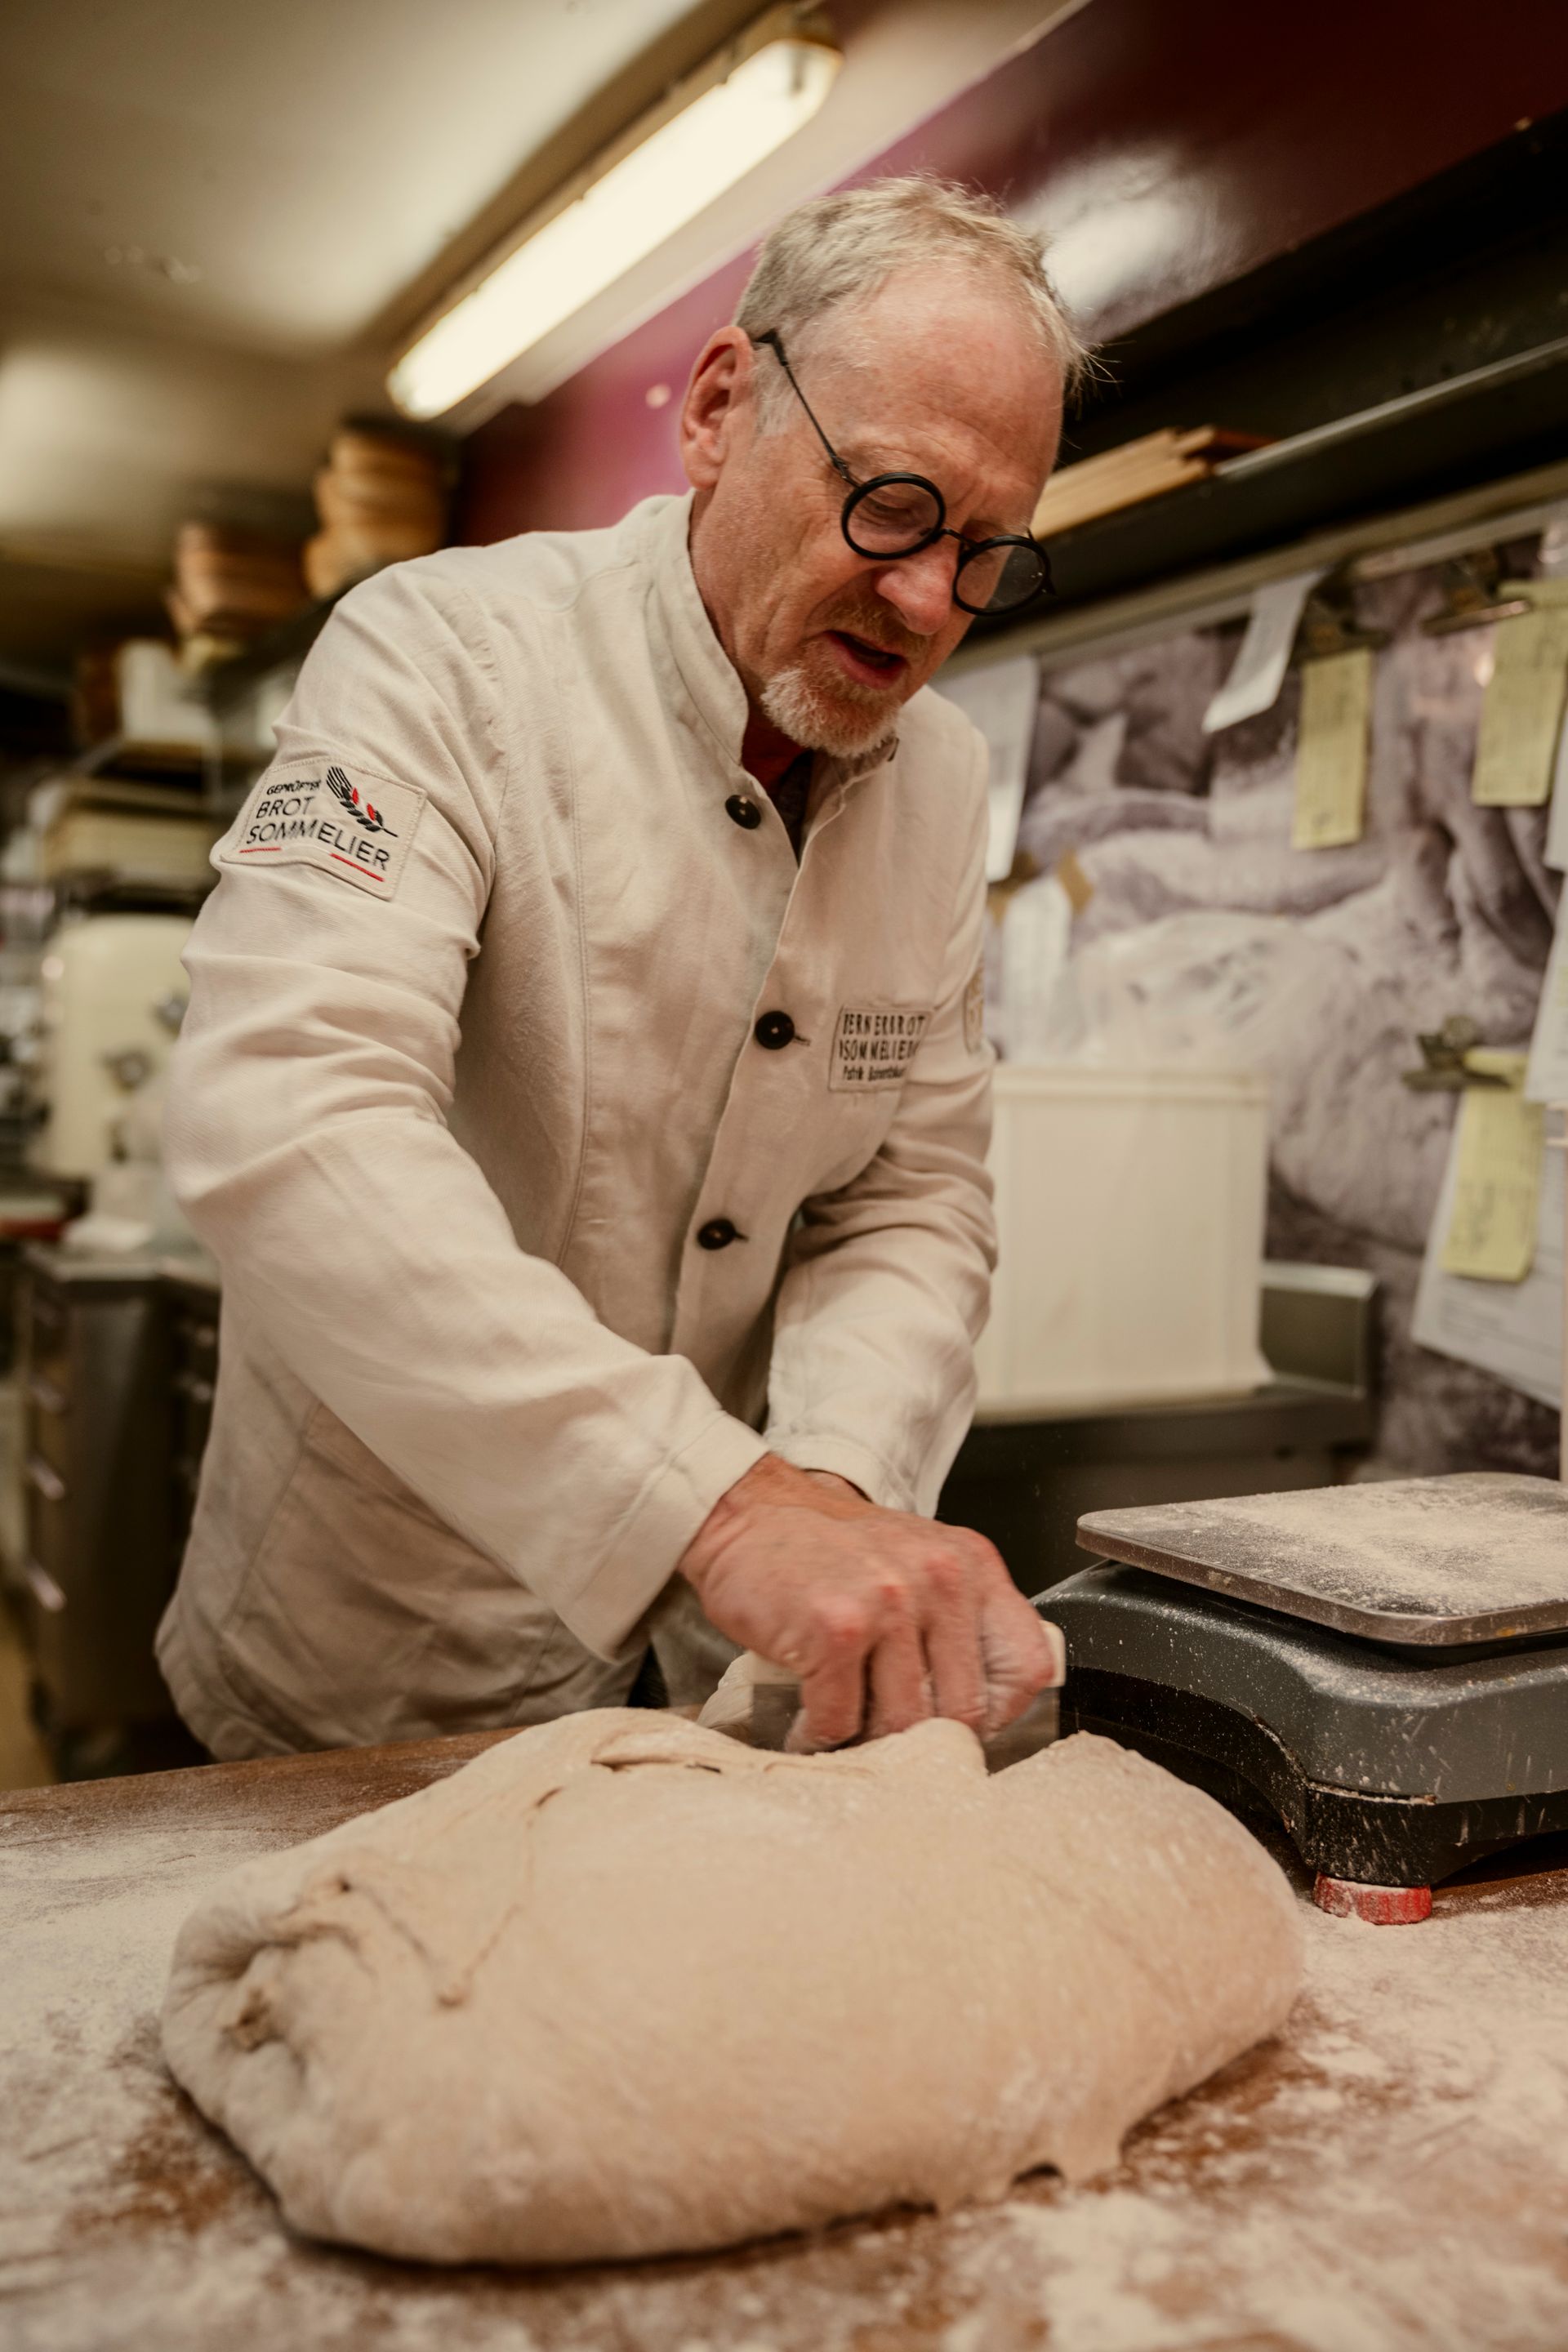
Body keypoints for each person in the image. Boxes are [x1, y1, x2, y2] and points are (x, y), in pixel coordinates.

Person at [157, 174, 1087, 1762]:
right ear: (725, 406)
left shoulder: (936, 785)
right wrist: (716, 1510)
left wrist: (838, 1490)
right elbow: (295, 1118)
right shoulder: (443, 658)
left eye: (990, 549)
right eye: (897, 506)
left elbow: (910, 1199)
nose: (933, 600)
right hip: (364, 1675)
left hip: (686, 1691)